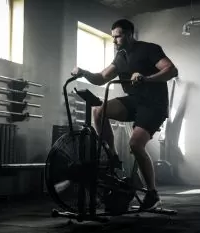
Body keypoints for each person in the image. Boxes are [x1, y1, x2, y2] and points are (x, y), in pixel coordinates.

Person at [71, 19, 178, 210]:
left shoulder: (149, 49)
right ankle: (112, 156)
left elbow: (171, 70)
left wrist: (146, 79)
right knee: (98, 110)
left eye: (118, 36)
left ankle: (152, 194)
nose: (114, 41)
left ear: (129, 34)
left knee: (136, 144)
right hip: (135, 101)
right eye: (112, 37)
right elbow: (102, 77)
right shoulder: (120, 56)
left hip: (154, 104)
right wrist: (83, 72)